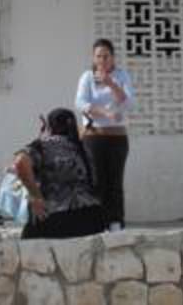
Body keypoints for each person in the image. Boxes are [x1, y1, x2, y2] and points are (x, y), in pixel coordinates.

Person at [12, 108, 107, 239]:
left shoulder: (43, 146)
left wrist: (35, 196)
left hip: (56, 217)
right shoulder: (83, 147)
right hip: (93, 219)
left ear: (50, 126)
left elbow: (20, 163)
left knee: (25, 246)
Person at [74, 38, 134, 230]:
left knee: (115, 181)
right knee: (96, 181)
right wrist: (105, 113)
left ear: (113, 57)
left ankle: (116, 222)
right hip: (94, 137)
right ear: (93, 58)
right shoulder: (87, 77)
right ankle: (97, 223)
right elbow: (80, 103)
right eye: (98, 56)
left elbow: (129, 103)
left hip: (117, 137)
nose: (102, 60)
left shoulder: (122, 75)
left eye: (106, 56)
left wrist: (111, 84)